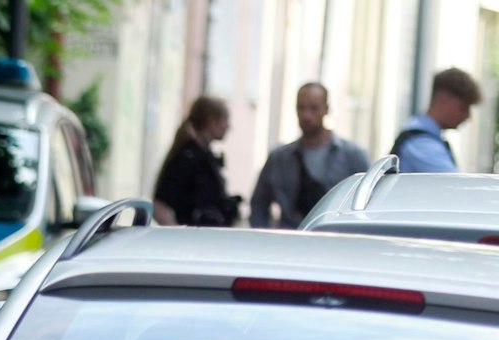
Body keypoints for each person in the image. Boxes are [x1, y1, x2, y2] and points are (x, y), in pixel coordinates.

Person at [248, 82, 371, 228]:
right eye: (301, 108)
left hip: (334, 236)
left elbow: (370, 202)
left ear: (326, 109)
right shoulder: (279, 158)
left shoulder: (352, 156)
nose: (307, 115)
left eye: (314, 108)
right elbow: (259, 204)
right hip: (290, 235)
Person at [152, 96, 240, 227]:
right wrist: (178, 234)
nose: (228, 126)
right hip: (191, 236)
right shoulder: (187, 159)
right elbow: (160, 205)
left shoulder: (205, 158)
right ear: (212, 122)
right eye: (225, 120)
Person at [392, 68, 485, 172]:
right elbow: (452, 181)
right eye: (463, 108)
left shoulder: (418, 133)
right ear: (443, 100)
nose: (467, 116)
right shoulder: (422, 144)